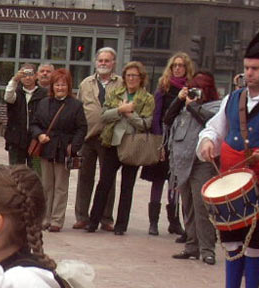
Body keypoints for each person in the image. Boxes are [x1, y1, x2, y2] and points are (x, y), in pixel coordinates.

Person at [198, 32, 259, 288]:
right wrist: (207, 142)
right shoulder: (234, 98)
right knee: (230, 238)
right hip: (230, 179)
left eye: (255, 68)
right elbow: (214, 128)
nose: (248, 73)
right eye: (246, 68)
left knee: (256, 241)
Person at [87, 61, 154, 236]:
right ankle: (93, 221)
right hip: (112, 143)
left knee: (127, 187)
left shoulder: (147, 98)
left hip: (132, 146)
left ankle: (121, 225)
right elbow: (104, 116)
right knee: (104, 183)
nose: (131, 79)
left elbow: (146, 124)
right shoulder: (115, 94)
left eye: (135, 76)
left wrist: (130, 114)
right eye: (128, 75)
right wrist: (120, 109)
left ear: (141, 78)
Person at [165, 71, 220, 265]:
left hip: (202, 163)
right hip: (182, 161)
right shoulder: (184, 104)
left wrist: (194, 106)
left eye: (201, 89)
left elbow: (209, 121)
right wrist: (180, 100)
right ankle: (191, 245)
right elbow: (168, 118)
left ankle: (207, 249)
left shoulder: (216, 106)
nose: (197, 93)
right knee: (187, 205)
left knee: (202, 207)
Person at [143, 52, 195, 236]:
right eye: (175, 65)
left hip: (182, 139)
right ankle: (153, 222)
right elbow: (157, 116)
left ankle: (174, 221)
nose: (178, 68)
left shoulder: (191, 89)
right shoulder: (163, 88)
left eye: (181, 65)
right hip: (163, 139)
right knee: (158, 181)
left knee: (176, 183)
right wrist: (159, 143)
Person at [31, 68, 86, 232]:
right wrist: (39, 135)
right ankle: (45, 218)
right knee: (46, 185)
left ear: (68, 86)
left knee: (61, 187)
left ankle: (56, 220)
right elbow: (34, 124)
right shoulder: (43, 103)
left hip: (64, 149)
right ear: (52, 86)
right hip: (46, 148)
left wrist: (73, 146)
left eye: (63, 85)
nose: (60, 88)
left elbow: (82, 128)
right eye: (57, 85)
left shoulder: (75, 105)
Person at [74, 48, 122, 230]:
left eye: (107, 61)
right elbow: (79, 109)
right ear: (96, 62)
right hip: (88, 137)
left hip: (110, 138)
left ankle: (106, 217)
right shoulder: (86, 83)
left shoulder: (120, 84)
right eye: (100, 60)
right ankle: (82, 216)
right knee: (84, 177)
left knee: (107, 179)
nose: (103, 63)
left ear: (113, 63)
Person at [3, 63, 47, 168]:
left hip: (36, 140)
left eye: (30, 74)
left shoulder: (44, 94)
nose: (27, 77)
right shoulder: (16, 92)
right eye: (24, 74)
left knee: (36, 171)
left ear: (36, 76)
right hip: (16, 140)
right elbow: (8, 97)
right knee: (16, 172)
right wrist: (14, 80)